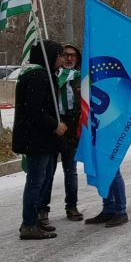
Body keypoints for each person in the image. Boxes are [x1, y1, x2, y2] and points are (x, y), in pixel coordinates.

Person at [12, 40, 66, 240]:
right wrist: (55, 125)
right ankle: (29, 224)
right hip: (36, 139)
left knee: (41, 179)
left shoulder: (43, 75)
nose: (62, 60)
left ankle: (34, 219)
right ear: (49, 56)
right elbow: (35, 111)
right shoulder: (38, 77)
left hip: (40, 138)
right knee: (36, 181)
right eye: (59, 56)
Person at [56, 44, 82, 222]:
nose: (69, 58)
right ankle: (42, 210)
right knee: (47, 171)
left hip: (72, 127)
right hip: (54, 124)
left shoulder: (80, 78)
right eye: (65, 55)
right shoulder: (52, 77)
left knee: (70, 170)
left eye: (73, 55)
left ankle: (71, 206)